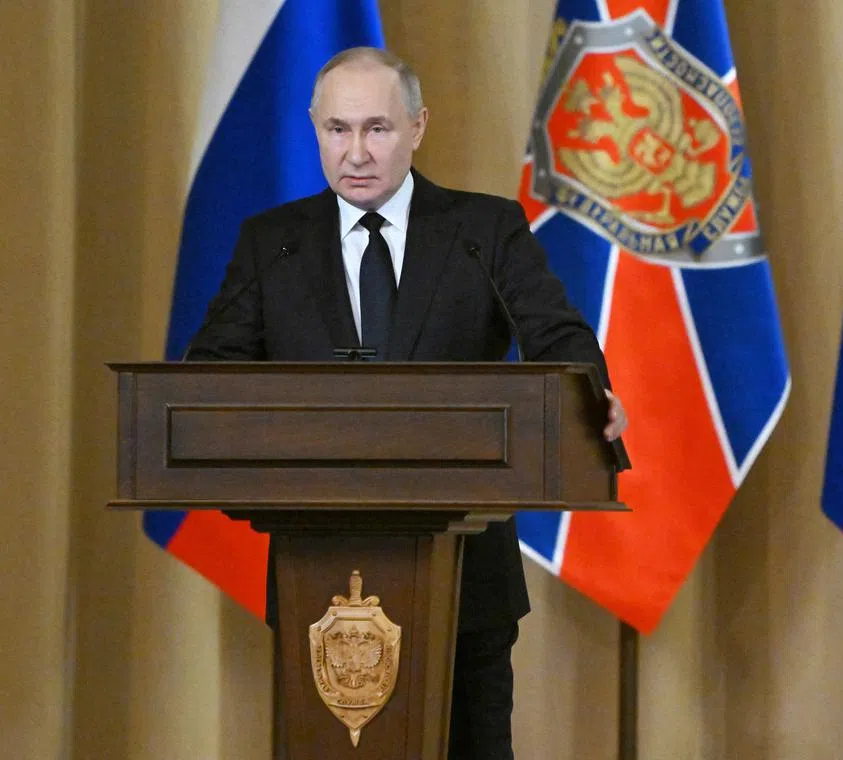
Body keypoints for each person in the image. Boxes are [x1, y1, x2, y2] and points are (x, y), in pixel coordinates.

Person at [185, 47, 627, 759]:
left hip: (467, 584)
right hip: (316, 587)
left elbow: (557, 332)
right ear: (313, 128)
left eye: (377, 129)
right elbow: (208, 373)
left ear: (417, 127)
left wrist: (589, 387)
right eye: (336, 130)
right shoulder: (272, 243)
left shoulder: (483, 231)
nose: (354, 152)